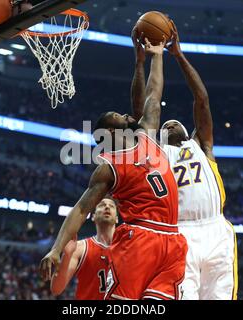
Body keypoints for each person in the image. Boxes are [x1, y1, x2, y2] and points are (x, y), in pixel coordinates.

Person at [40, 37, 187, 300]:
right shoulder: (109, 166)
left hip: (173, 239)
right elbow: (81, 209)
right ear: (110, 131)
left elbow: (154, 94)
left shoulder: (146, 135)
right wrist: (56, 248)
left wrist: (157, 55)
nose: (126, 115)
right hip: (140, 237)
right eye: (118, 116)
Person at [131, 22, 237, 300]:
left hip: (216, 229)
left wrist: (178, 55)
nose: (172, 122)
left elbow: (201, 100)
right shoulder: (156, 152)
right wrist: (141, 61)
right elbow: (144, 106)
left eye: (176, 122)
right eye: (166, 123)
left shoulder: (202, 145)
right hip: (178, 234)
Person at [50, 198, 118, 299]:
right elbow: (56, 289)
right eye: (102, 205)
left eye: (111, 206)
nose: (107, 207)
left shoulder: (128, 247)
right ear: (93, 217)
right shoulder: (79, 248)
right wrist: (67, 255)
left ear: (117, 218)